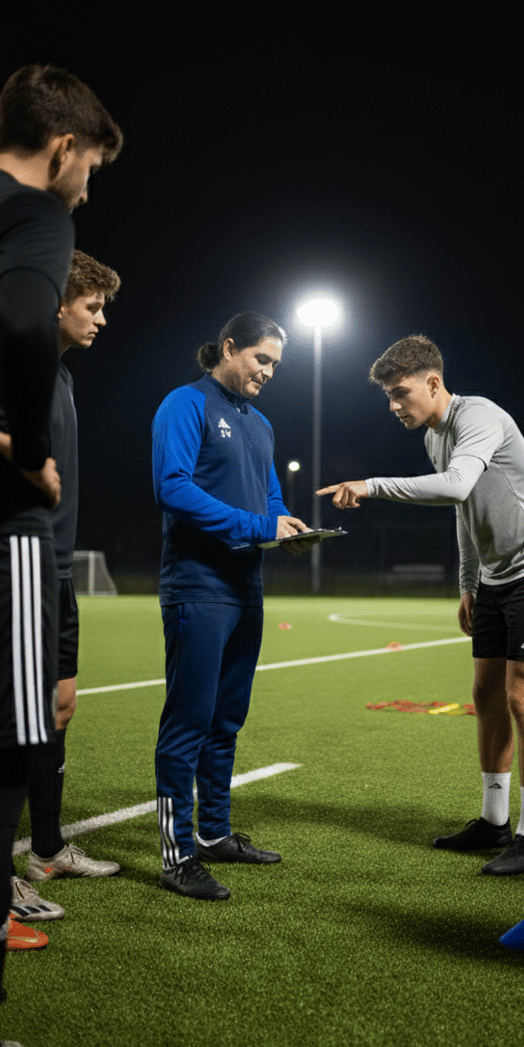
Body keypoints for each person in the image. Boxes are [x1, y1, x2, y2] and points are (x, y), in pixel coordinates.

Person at [318, 335, 524, 876]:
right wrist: (468, 583)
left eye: (400, 393)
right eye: (388, 396)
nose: (393, 406)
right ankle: (494, 821)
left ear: (434, 383)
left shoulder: (478, 415)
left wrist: (370, 486)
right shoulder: (435, 436)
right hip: (495, 577)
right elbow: (466, 514)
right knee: (485, 693)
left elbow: (457, 488)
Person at [0, 64, 121, 1047]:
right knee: (3, 761)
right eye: (91, 173)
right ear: (64, 148)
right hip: (5, 535)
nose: (85, 194)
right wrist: (26, 443)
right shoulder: (37, 217)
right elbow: (31, 325)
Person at [151, 311, 313, 901]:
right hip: (198, 586)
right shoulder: (184, 404)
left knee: (226, 721)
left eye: (275, 364)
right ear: (228, 347)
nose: (268, 372)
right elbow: (172, 487)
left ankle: (215, 835)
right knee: (188, 723)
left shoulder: (261, 424)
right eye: (261, 359)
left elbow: (270, 497)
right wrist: (257, 523)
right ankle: (177, 856)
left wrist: (284, 528)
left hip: (247, 588)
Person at [0, 250, 123, 926]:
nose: (101, 319)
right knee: (11, 726)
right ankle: (0, 881)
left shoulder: (60, 377)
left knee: (57, 709)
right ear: (55, 304)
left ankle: (45, 850)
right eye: (91, 306)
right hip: (17, 562)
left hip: (57, 570)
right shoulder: (17, 366)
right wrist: (31, 468)